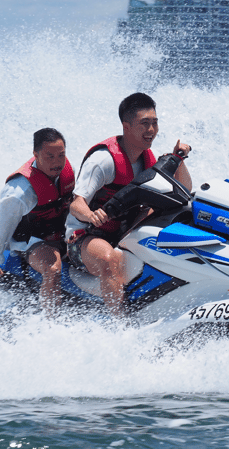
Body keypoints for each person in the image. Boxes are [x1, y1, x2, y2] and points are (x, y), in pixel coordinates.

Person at [67, 92, 191, 315]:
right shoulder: (103, 161)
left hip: (123, 232)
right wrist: (91, 215)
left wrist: (178, 159)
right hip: (84, 236)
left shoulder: (149, 160)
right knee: (109, 259)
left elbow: (184, 190)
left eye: (154, 123)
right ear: (126, 126)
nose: (151, 130)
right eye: (144, 124)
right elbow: (76, 204)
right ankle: (120, 325)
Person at [0, 128, 75, 316]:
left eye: (61, 155)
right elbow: (3, 230)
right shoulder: (19, 192)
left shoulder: (67, 171)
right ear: (36, 154)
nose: (57, 162)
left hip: (61, 231)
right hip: (31, 241)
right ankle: (51, 321)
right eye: (49, 156)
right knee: (53, 268)